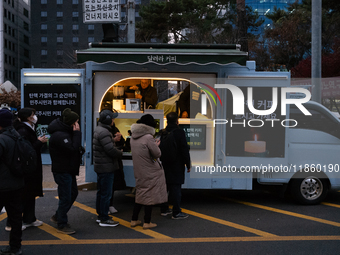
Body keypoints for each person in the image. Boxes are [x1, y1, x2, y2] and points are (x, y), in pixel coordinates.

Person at [9, 108, 48, 230]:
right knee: (23, 195)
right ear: (27, 117)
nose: (35, 116)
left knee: (30, 194)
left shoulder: (29, 127)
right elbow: (26, 150)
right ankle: (12, 223)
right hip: (26, 168)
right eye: (33, 115)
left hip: (32, 167)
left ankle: (29, 219)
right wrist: (39, 142)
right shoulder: (22, 130)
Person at [48, 108, 82, 235]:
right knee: (66, 196)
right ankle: (61, 223)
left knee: (72, 193)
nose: (78, 124)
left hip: (68, 169)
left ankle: (58, 216)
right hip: (62, 170)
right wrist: (77, 133)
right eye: (76, 122)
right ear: (72, 123)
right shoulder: (60, 135)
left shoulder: (65, 132)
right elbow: (72, 148)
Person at [130, 114, 167, 229]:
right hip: (151, 171)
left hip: (139, 170)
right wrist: (156, 145)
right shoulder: (148, 137)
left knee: (140, 194)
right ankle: (147, 222)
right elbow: (157, 154)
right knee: (149, 196)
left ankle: (134, 219)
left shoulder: (132, 137)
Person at [0, 109, 24, 255]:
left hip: (2, 185)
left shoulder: (2, 139)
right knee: (16, 218)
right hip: (18, 183)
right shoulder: (17, 135)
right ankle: (15, 247)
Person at [93, 110, 122, 227]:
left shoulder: (99, 129)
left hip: (101, 166)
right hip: (106, 166)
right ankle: (104, 218)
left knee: (101, 192)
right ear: (109, 120)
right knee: (106, 193)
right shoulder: (105, 132)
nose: (114, 121)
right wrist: (119, 152)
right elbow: (110, 150)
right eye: (113, 119)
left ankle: (101, 215)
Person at [160, 112, 191, 219]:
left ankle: (164, 209)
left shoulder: (163, 132)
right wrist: (188, 164)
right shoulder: (179, 132)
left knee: (166, 186)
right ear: (177, 121)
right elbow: (184, 149)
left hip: (164, 163)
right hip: (177, 164)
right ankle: (176, 212)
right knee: (176, 188)